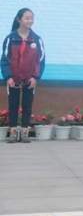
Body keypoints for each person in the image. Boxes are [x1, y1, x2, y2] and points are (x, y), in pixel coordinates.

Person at [1, 8, 45, 143]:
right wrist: (8, 76)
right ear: (19, 19)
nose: (30, 21)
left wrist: (35, 77)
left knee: (27, 106)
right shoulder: (10, 38)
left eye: (31, 18)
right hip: (13, 79)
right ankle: (13, 133)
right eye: (27, 18)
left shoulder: (36, 39)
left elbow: (41, 60)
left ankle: (25, 133)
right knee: (13, 106)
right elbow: (4, 59)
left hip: (30, 79)